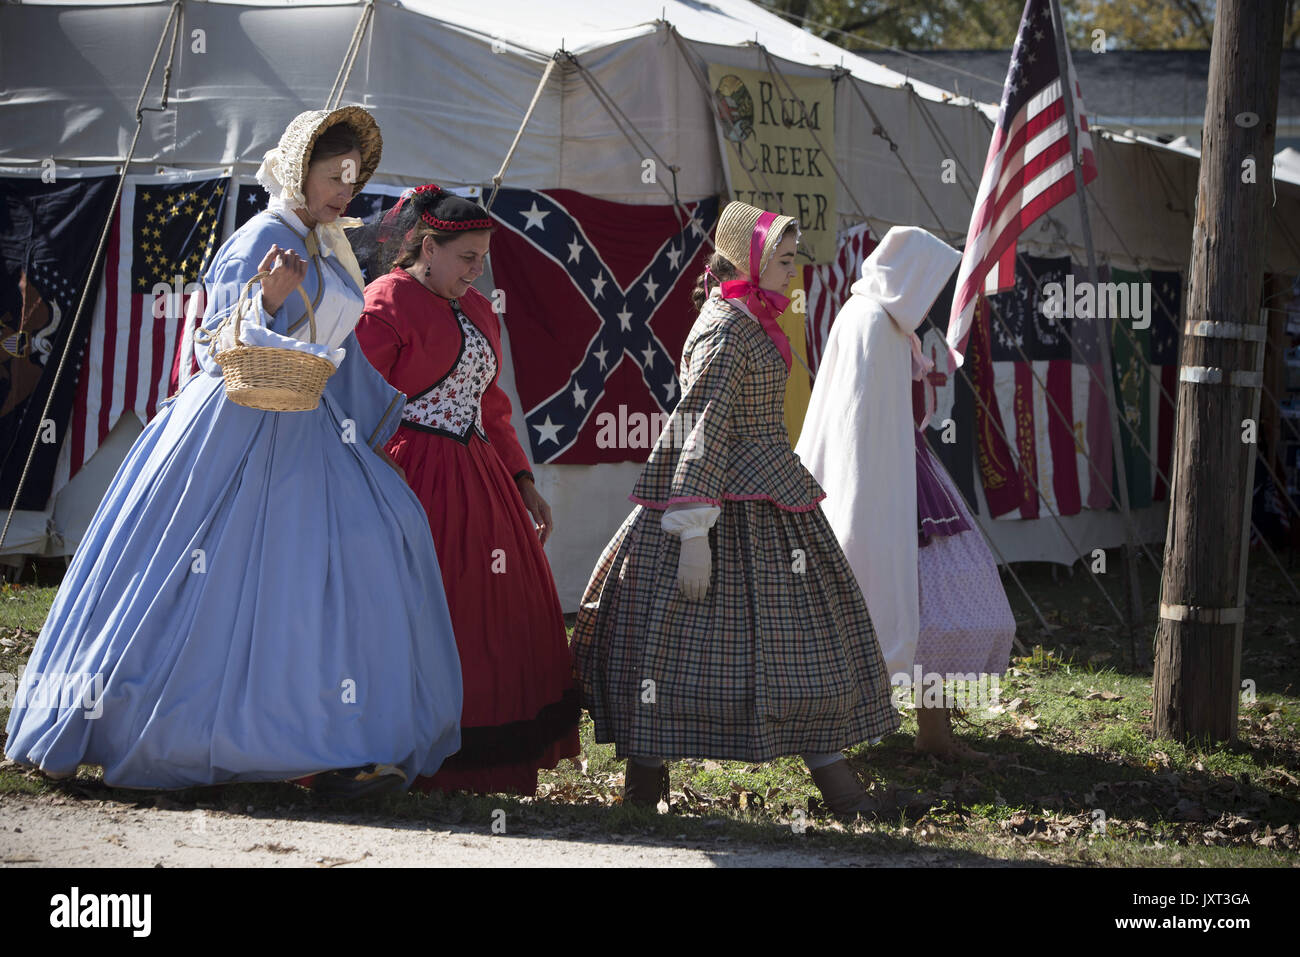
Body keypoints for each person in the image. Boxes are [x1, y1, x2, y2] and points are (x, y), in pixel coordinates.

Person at [4, 107, 463, 795]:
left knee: (358, 553)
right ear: (296, 169)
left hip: (311, 425)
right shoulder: (260, 238)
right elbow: (215, 342)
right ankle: (154, 730)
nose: (344, 190)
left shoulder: (330, 249)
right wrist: (265, 300)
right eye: (332, 176)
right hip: (235, 427)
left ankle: (334, 743)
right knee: (202, 582)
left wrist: (375, 433)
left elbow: (340, 353)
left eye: (351, 178)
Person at [572, 201, 900, 815]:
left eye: (793, 257)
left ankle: (841, 790)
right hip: (719, 499)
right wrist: (693, 529)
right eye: (780, 259)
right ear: (746, 259)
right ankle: (646, 789)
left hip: (768, 491)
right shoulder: (727, 328)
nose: (791, 268)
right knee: (672, 647)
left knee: (790, 644)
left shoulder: (746, 316)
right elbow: (700, 429)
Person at [354, 185, 580, 796]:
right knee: (427, 610)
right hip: (410, 478)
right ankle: (410, 756)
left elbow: (492, 404)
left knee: (494, 613)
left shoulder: (478, 308)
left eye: (483, 259)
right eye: (466, 258)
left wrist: (523, 478)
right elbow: (354, 404)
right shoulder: (385, 304)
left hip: (480, 475)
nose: (476, 271)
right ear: (428, 246)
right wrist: (378, 470)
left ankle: (486, 765)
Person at [795, 226, 1015, 758]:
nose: (935, 298)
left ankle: (934, 732)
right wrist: (872, 491)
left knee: (935, 609)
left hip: (908, 471)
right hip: (880, 479)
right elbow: (859, 421)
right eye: (931, 282)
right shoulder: (870, 321)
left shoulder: (885, 322)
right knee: (894, 606)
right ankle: (839, 732)